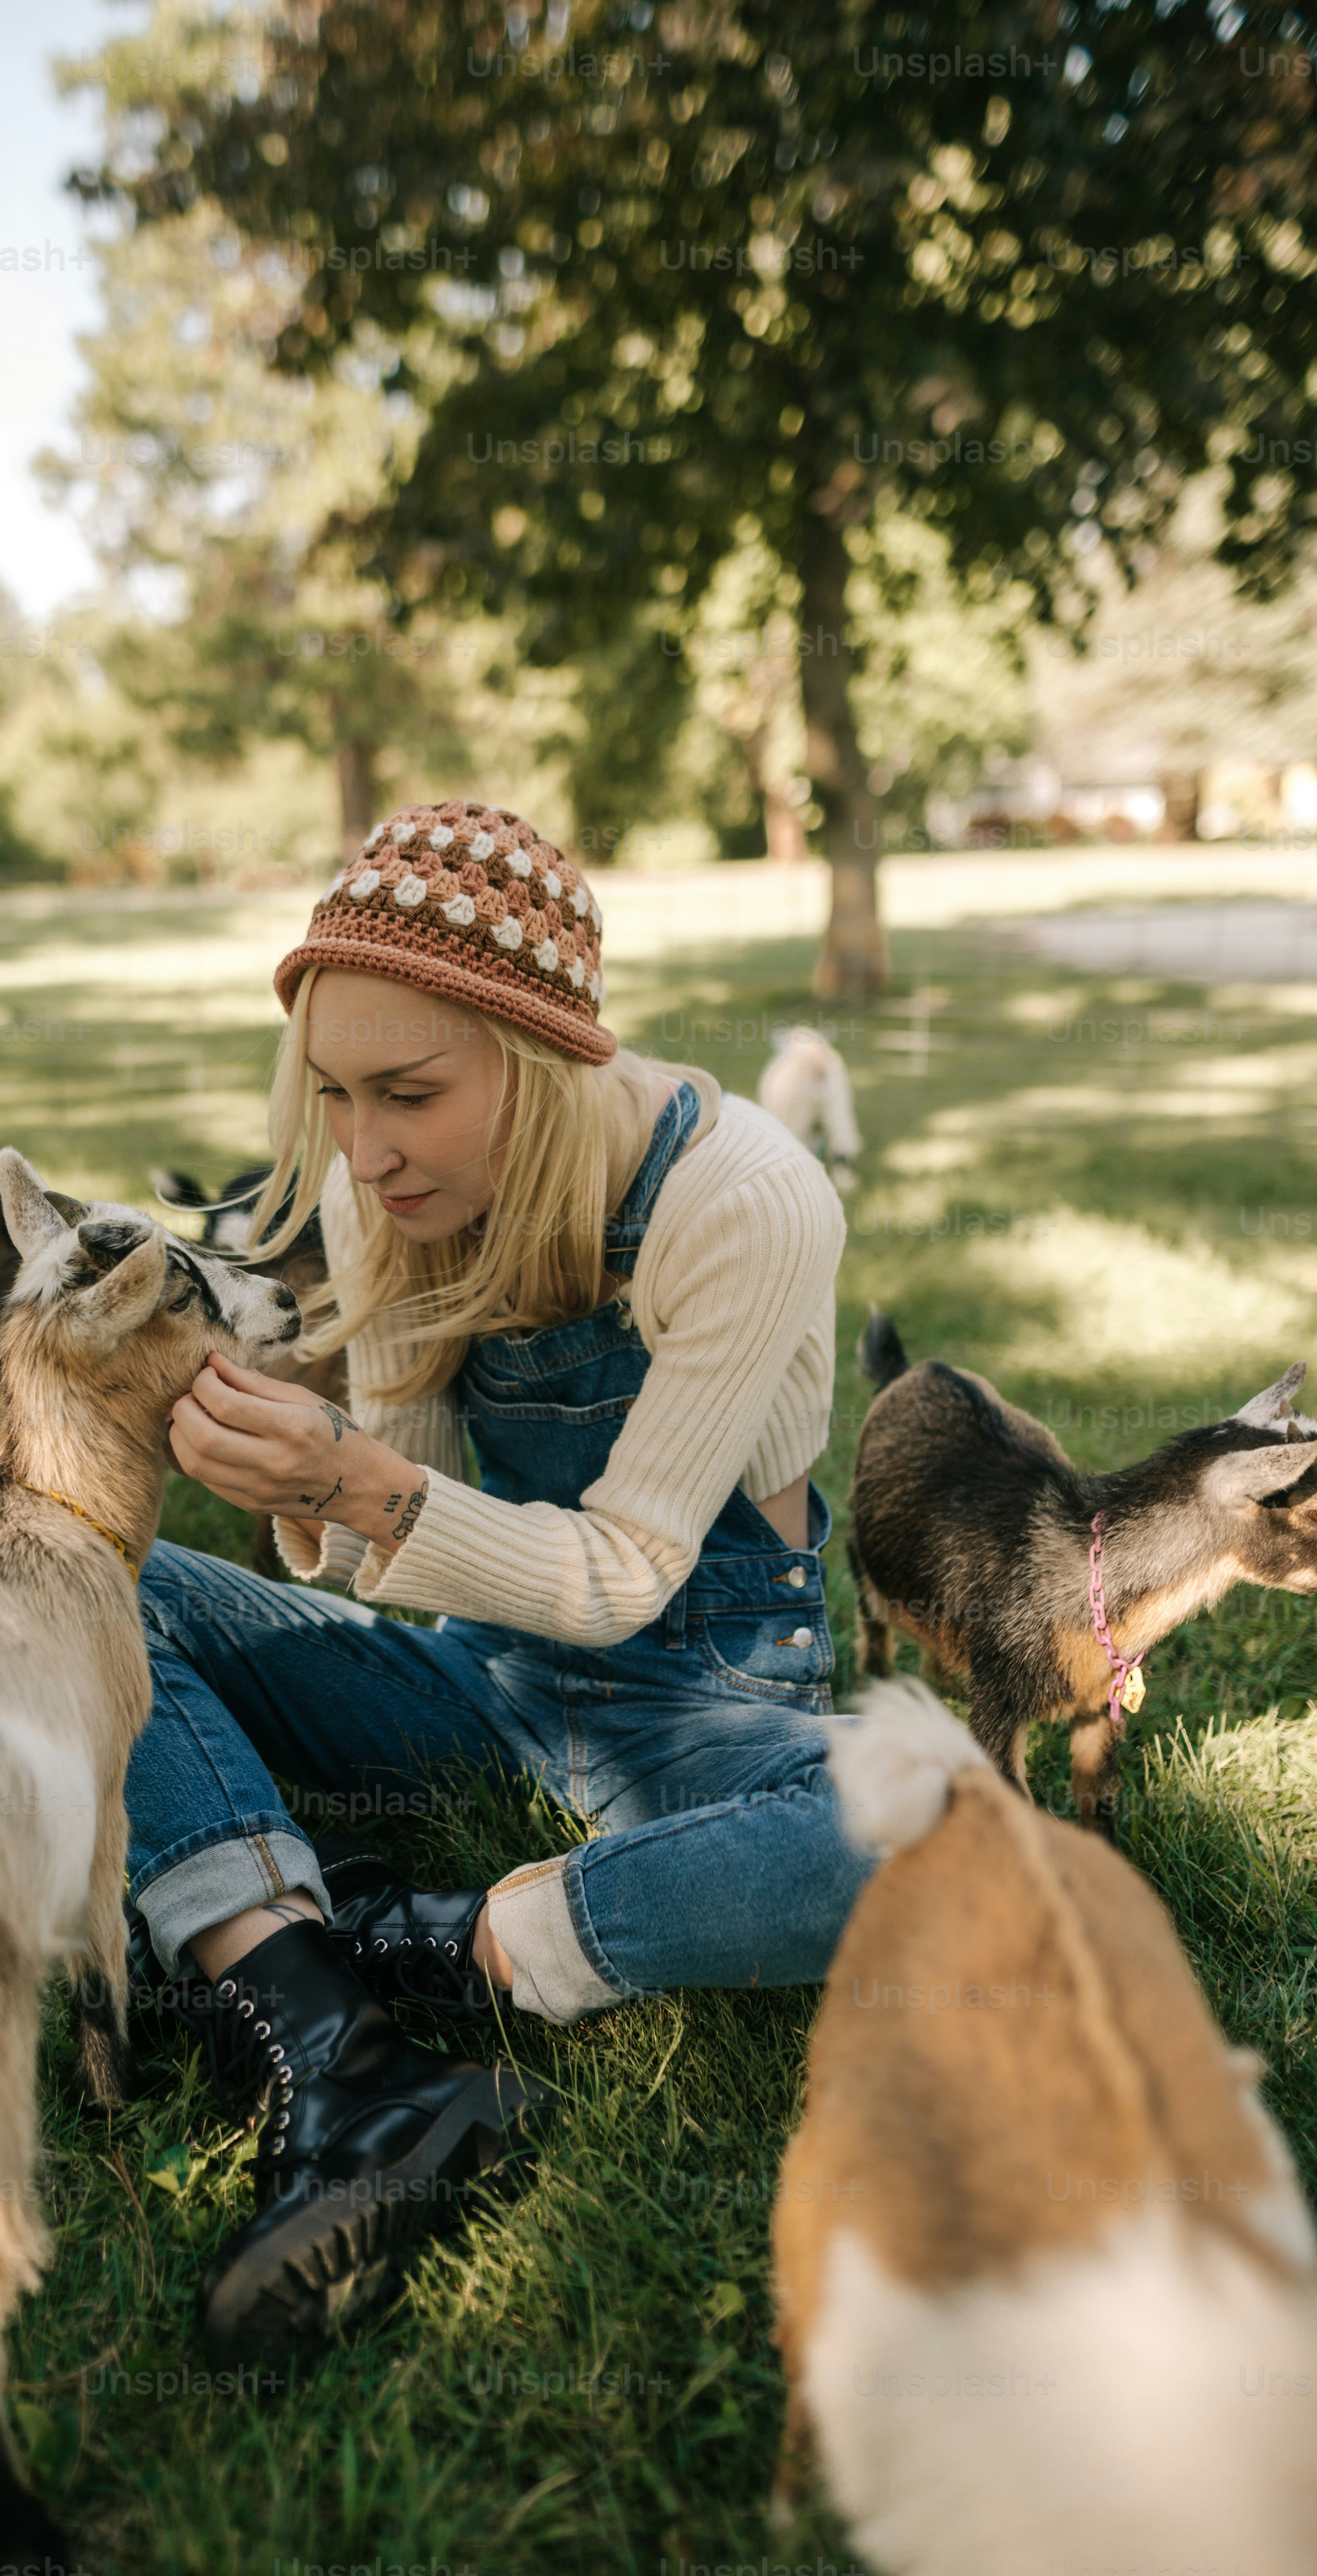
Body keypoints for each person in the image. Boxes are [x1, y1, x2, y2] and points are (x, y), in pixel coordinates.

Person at [124, 799, 873, 2366]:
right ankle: (338, 2053)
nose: (364, 1147)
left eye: (409, 1093)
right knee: (99, 1590)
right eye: (332, 1094)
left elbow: (624, 1575)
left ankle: (403, 1941)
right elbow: (385, 1551)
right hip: (484, 1676)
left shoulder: (743, 1196)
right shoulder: (375, 1192)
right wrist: (295, 1491)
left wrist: (351, 1484)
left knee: (923, 1831)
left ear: (540, 1063)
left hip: (703, 1695)